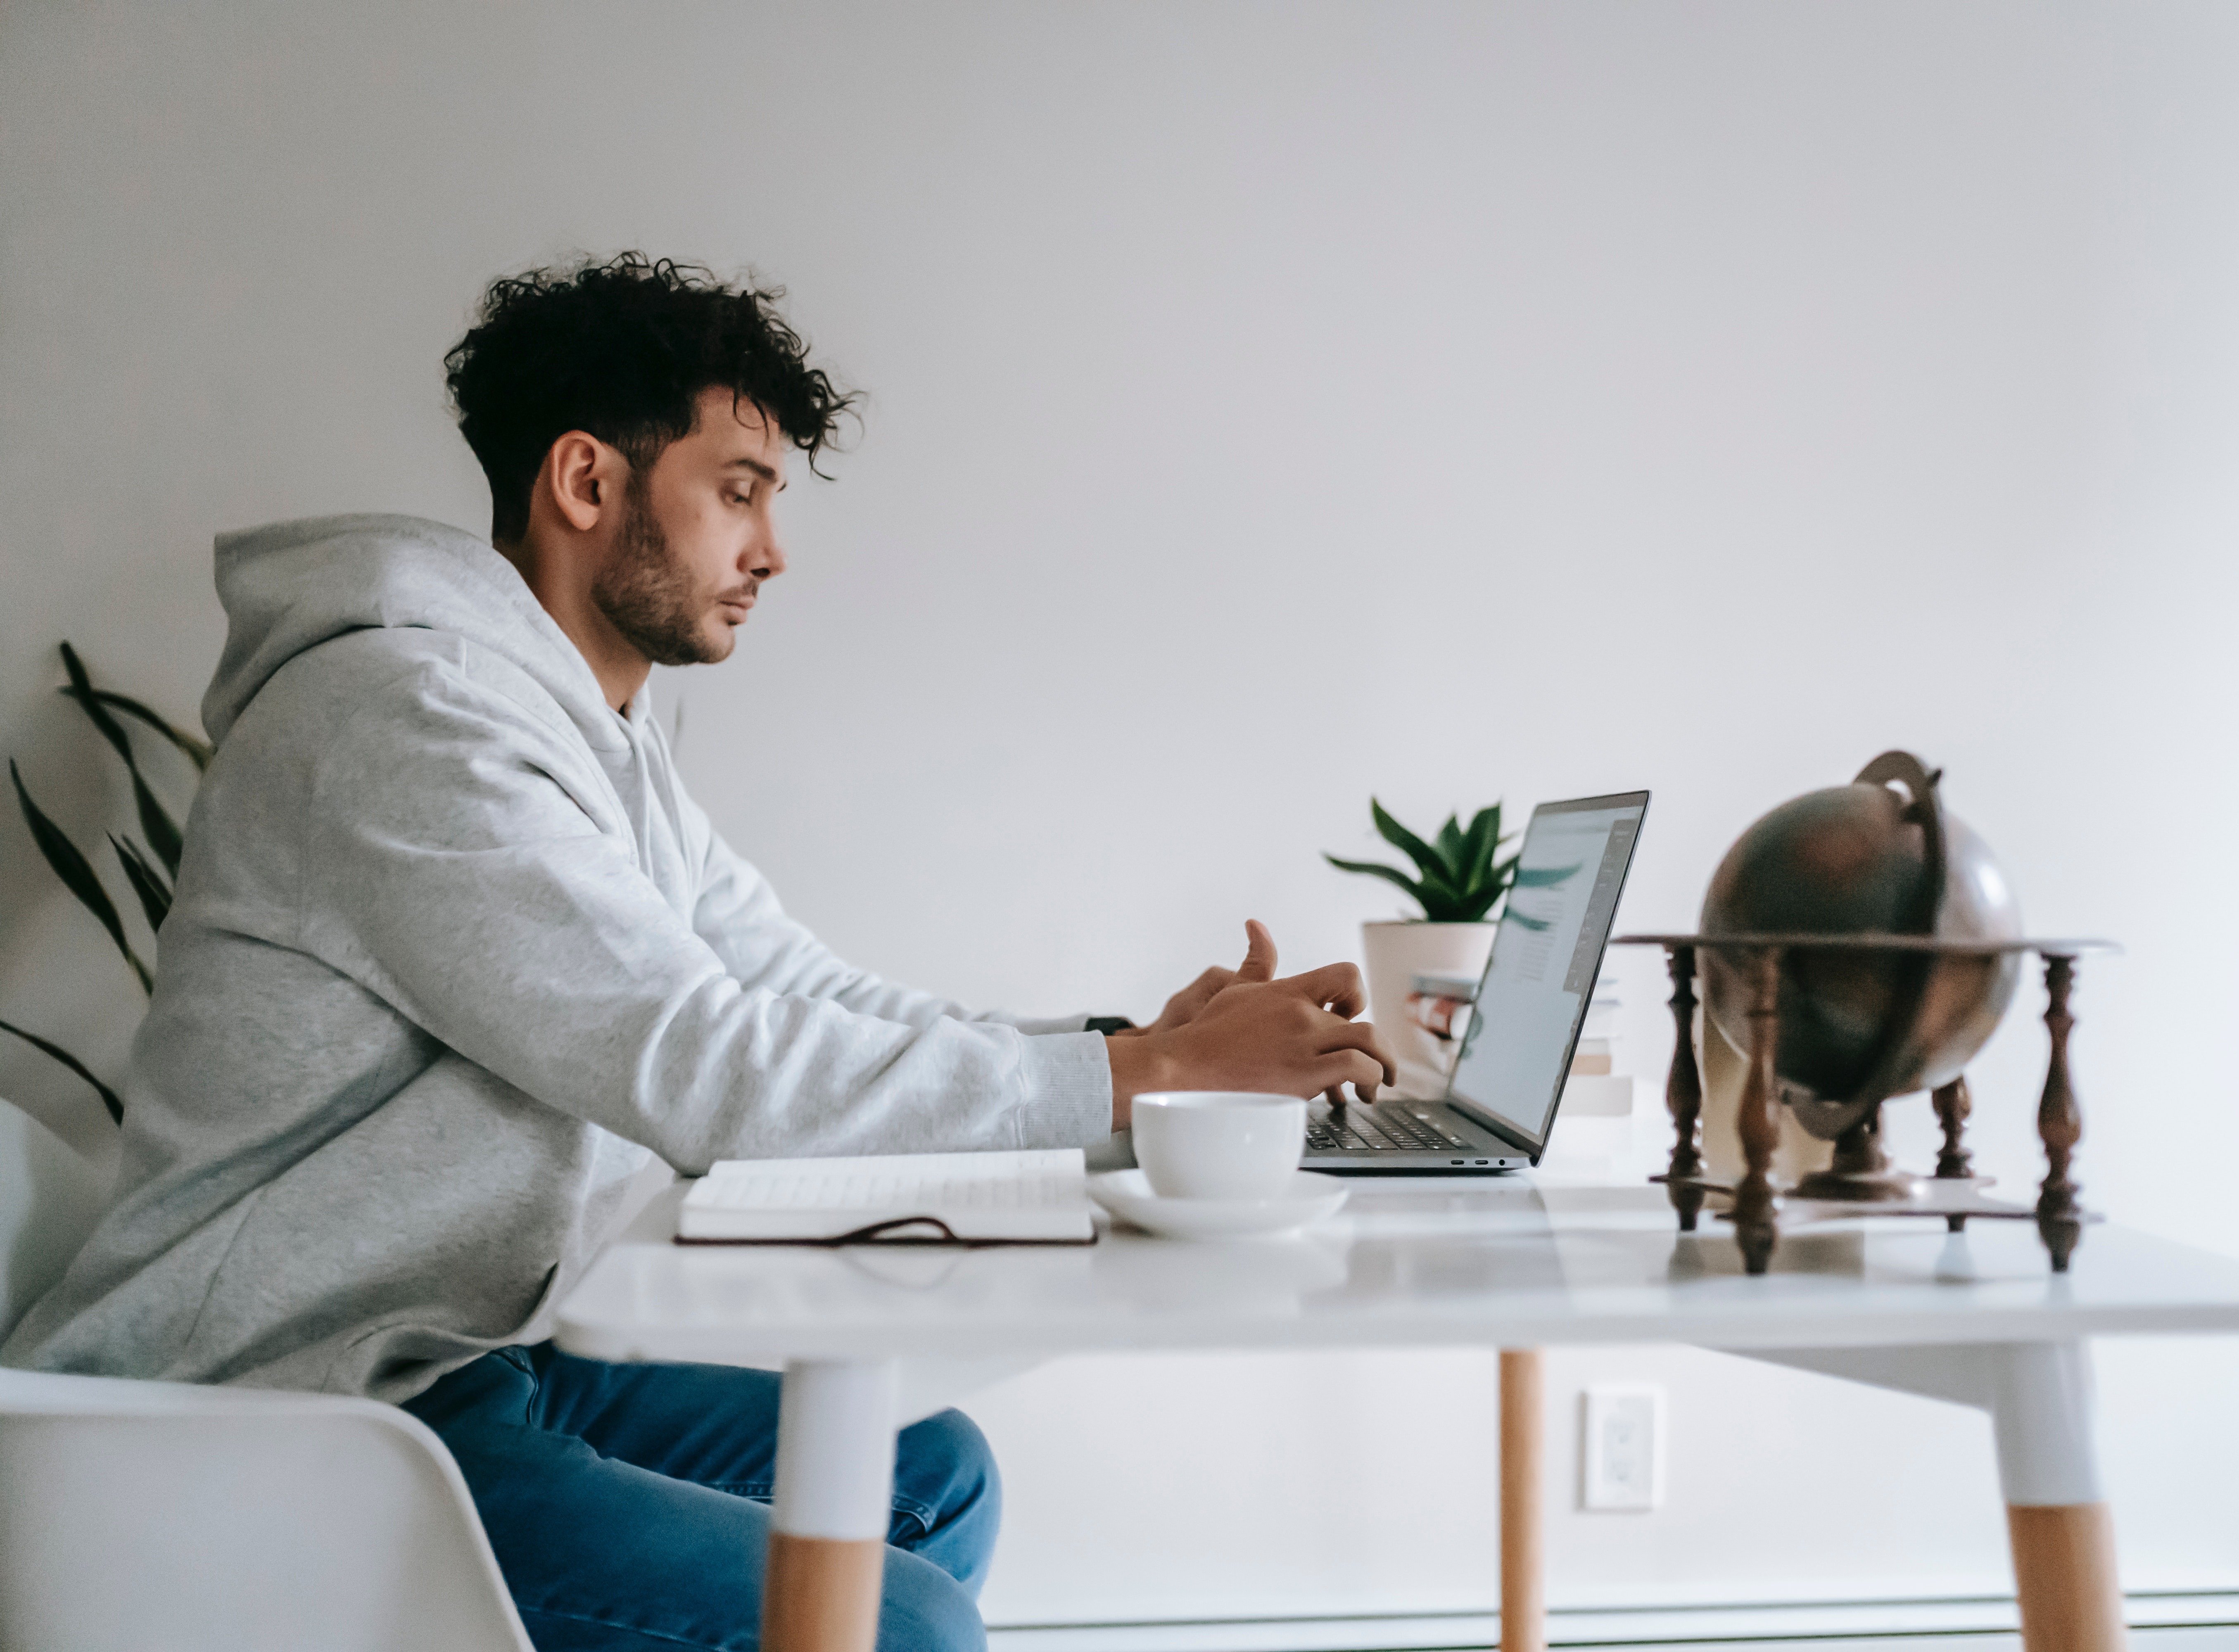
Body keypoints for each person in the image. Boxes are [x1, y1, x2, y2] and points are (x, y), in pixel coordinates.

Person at [3, 253, 1393, 1652]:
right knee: (899, 1624)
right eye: (739, 490)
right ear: (588, 484)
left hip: (472, 1355)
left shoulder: (594, 742)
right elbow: (708, 1068)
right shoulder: (410, 719)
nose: (773, 549)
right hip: (286, 1410)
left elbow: (799, 995)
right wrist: (1142, 1077)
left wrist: (1127, 1057)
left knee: (930, 1478)